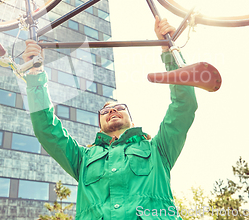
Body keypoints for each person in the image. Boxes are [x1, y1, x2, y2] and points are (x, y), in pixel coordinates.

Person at [23, 16, 198, 219]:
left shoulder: (159, 149)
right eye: (105, 111)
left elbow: (184, 106)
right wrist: (35, 72)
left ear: (132, 121)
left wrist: (169, 51)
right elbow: (47, 129)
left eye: (119, 108)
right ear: (99, 126)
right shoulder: (81, 159)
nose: (112, 111)